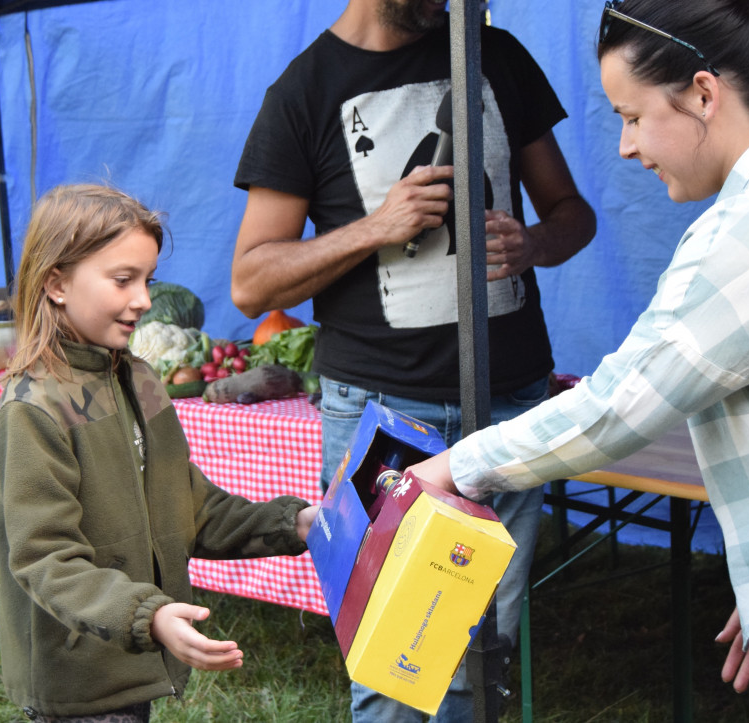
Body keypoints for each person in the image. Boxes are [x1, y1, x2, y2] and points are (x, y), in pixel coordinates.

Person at [409, 0, 749, 720]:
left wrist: (457, 466)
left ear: (705, 94)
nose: (623, 145)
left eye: (633, 115)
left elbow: (618, 406)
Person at [231, 1, 597, 720]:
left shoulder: (500, 57)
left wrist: (536, 244)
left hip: (510, 404)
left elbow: (571, 213)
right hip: (386, 417)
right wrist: (375, 228)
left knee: (482, 648)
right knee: (399, 666)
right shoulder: (304, 92)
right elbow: (252, 281)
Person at [0, 184, 319, 722]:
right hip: (84, 685)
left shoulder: (140, 379)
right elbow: (45, 559)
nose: (143, 299)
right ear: (56, 283)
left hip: (135, 657)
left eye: (147, 280)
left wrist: (294, 523)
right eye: (123, 280)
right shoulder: (33, 408)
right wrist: (151, 616)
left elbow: (191, 507)